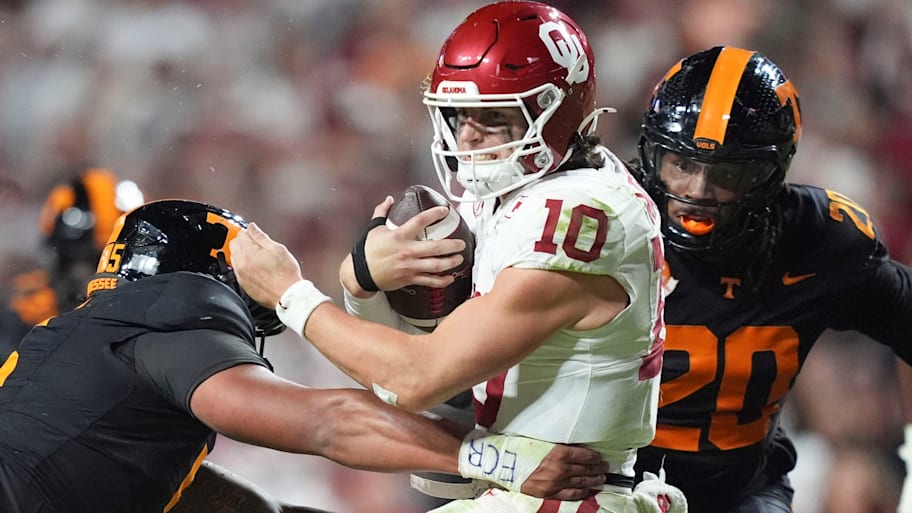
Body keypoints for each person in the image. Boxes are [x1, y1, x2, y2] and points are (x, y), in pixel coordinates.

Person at [229, 2, 685, 512]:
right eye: (458, 115)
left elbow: (416, 379)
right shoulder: (528, 190)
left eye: (493, 117)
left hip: (570, 497)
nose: (467, 136)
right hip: (521, 488)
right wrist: (362, 282)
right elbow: (395, 377)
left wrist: (290, 295)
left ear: (557, 111)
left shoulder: (578, 212)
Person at [0, 199, 611, 513]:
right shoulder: (174, 312)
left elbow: (210, 500)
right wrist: (497, 460)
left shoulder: (81, 346)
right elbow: (324, 423)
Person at [630, 45, 912, 512]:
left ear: (767, 174)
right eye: (682, 164)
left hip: (739, 492)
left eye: (724, 172)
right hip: (607, 485)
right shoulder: (606, 224)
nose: (697, 192)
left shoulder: (818, 241)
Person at [0, 168, 144, 352]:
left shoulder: (144, 315)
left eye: (110, 264)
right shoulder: (26, 310)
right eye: (86, 262)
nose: (97, 281)